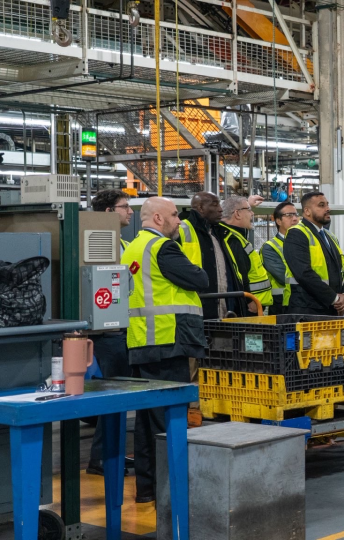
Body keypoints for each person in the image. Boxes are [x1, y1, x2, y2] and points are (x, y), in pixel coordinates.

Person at [122, 197, 209, 504]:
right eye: (174, 215)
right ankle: (171, 493)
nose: (179, 221)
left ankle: (147, 489)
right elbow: (200, 278)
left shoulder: (131, 247)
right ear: (158, 218)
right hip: (167, 341)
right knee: (170, 422)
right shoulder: (164, 248)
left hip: (140, 343)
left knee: (146, 422)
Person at [86, 189, 135, 476]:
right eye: (124, 207)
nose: (130, 212)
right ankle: (101, 458)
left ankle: (110, 455)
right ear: (107, 212)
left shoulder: (123, 243)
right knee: (111, 396)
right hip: (107, 333)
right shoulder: (98, 244)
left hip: (122, 328)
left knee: (119, 398)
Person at [177, 192, 244, 319]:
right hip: (196, 308)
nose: (220, 209)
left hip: (224, 307)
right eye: (215, 204)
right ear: (201, 208)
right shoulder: (182, 230)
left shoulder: (219, 233)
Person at [283, 192, 344, 316]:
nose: (328, 209)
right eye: (322, 205)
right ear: (307, 211)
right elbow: (303, 273)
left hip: (332, 308)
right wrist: (335, 298)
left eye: (327, 205)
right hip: (307, 309)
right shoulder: (296, 234)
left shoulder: (330, 236)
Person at [216, 196, 273, 314]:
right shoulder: (232, 239)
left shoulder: (236, 235)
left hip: (254, 302)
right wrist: (248, 300)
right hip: (250, 305)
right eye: (249, 210)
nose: (252, 213)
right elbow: (239, 274)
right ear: (237, 214)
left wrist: (248, 204)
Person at [260, 201, 300, 314]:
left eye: (296, 214)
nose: (295, 219)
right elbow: (283, 277)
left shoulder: (304, 244)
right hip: (282, 305)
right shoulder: (270, 247)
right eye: (289, 215)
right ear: (278, 221)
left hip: (304, 302)